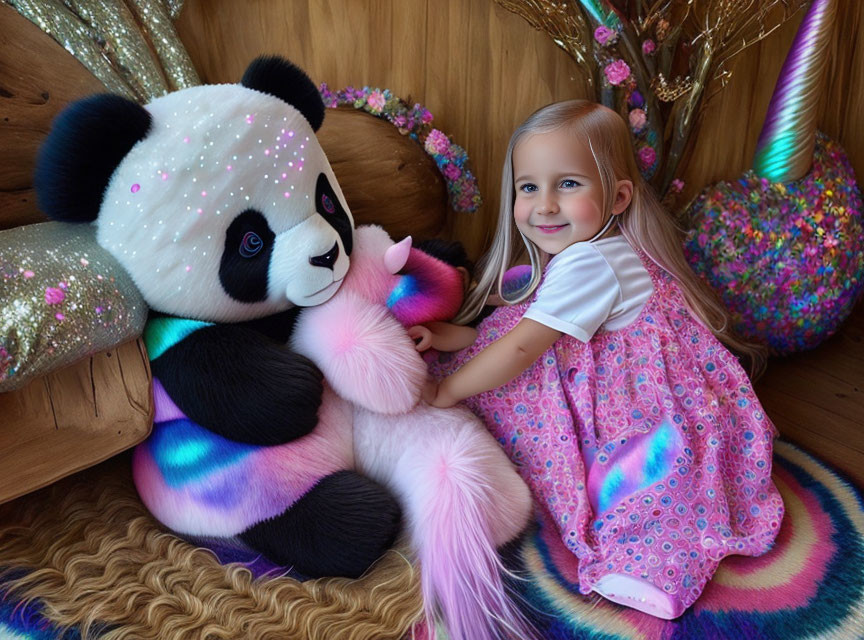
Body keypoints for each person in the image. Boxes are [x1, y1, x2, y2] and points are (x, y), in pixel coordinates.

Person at [414, 100, 784, 619]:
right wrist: (450, 335)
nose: (544, 206)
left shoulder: (590, 261)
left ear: (617, 196)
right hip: (615, 368)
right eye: (528, 187)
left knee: (641, 483)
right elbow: (516, 323)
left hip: (639, 402)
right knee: (488, 359)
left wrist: (448, 391)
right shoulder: (596, 247)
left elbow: (523, 346)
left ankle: (656, 566)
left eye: (567, 185)